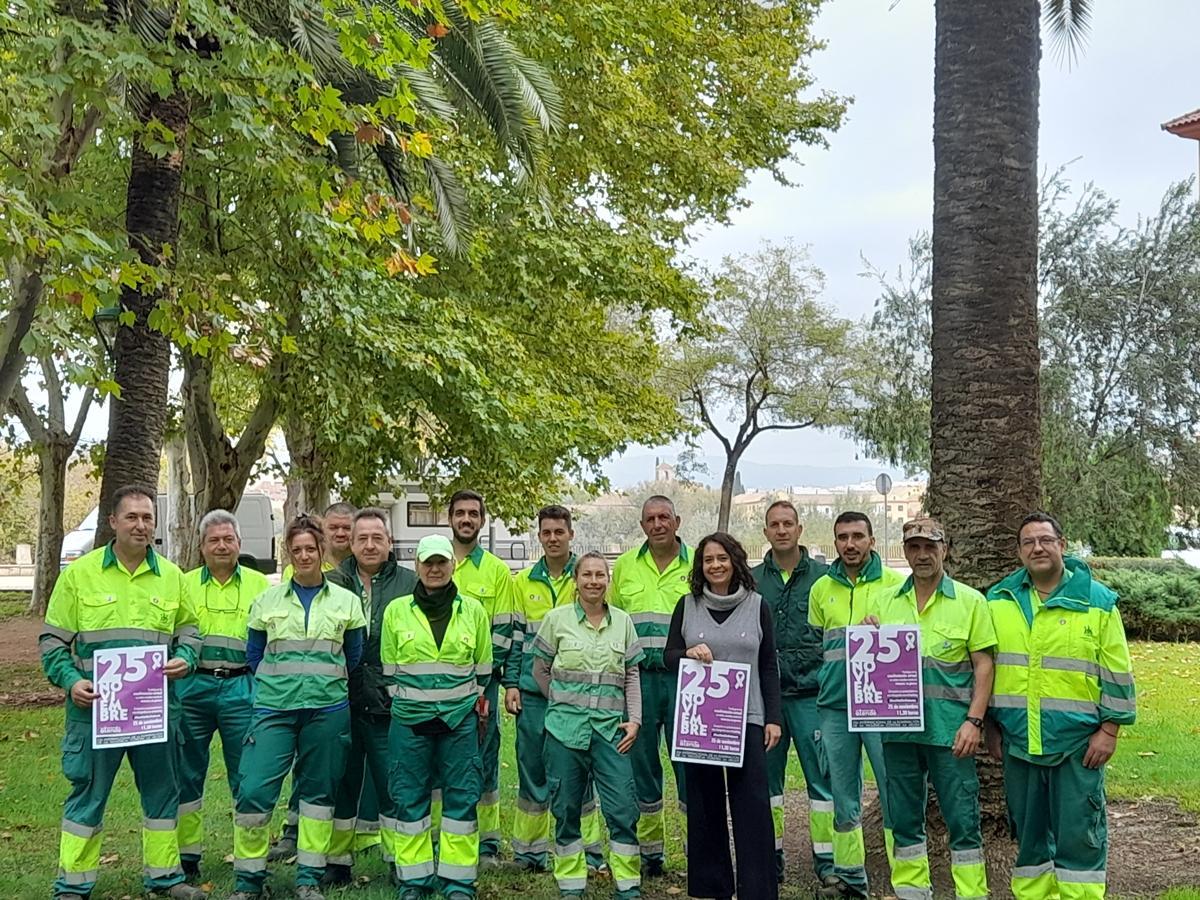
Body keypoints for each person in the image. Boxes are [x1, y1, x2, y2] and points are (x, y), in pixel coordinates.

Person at [39, 484, 207, 900]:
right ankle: (73, 886)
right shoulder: (80, 574)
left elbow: (190, 631)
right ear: (112, 522)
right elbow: (52, 641)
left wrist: (186, 656)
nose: (141, 524)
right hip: (95, 714)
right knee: (87, 799)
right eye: (131, 516)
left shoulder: (172, 577)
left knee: (162, 796)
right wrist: (70, 681)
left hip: (154, 712)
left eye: (148, 517)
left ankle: (165, 878)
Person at [987, 512, 1136, 900]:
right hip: (1020, 743)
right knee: (1030, 837)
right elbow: (983, 666)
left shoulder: (1097, 602)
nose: (1037, 547)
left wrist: (1110, 729)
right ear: (1019, 552)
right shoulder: (998, 600)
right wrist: (990, 724)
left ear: (1062, 545)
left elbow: (1117, 671)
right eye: (1028, 542)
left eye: (1045, 540)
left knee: (1079, 835)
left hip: (1078, 745)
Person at [228, 515, 367, 900]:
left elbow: (353, 655)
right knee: (254, 791)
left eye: (311, 548)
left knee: (319, 796)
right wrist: (282, 682)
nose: (304, 555)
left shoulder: (347, 602)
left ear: (322, 550)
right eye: (297, 549)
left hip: (326, 710)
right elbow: (255, 654)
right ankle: (248, 882)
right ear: (288, 553)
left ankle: (309, 879)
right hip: (274, 709)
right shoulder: (266, 601)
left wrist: (322, 680)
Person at [864, 517, 995, 900]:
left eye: (930, 547)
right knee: (904, 821)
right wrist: (869, 635)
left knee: (962, 820)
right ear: (905, 551)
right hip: (899, 732)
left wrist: (975, 720)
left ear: (945, 549)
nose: (922, 555)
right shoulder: (884, 601)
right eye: (914, 547)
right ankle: (911, 893)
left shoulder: (971, 602)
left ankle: (971, 894)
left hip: (951, 732)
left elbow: (984, 665)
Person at [665, 532, 781, 900]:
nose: (715, 565)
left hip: (746, 718)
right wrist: (687, 653)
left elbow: (767, 665)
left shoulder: (757, 604)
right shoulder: (687, 605)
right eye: (708, 560)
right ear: (700, 566)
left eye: (722, 558)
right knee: (704, 803)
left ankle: (758, 889)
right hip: (700, 719)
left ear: (736, 561)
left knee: (752, 805)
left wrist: (773, 717)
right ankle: (712, 887)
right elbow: (668, 656)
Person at [381, 534, 492, 900]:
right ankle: (414, 881)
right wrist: (413, 704)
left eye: (441, 562)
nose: (434, 568)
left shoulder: (473, 610)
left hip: (458, 722)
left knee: (461, 799)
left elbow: (483, 669)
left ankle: (457, 881)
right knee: (409, 799)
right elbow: (388, 670)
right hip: (409, 723)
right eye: (427, 562)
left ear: (452, 565)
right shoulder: (396, 611)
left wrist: (460, 704)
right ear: (417, 566)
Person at [532, 551, 644, 899]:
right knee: (566, 809)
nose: (594, 581)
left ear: (608, 581)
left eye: (600, 575)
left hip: (610, 734)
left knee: (623, 809)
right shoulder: (556, 620)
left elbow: (631, 676)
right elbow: (540, 669)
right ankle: (571, 884)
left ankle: (627, 886)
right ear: (576, 580)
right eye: (587, 575)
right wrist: (562, 704)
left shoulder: (623, 622)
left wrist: (635, 720)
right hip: (564, 734)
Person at [808, 511, 906, 897]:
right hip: (834, 706)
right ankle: (850, 879)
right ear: (835, 541)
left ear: (871, 541)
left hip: (880, 706)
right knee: (843, 794)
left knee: (892, 789)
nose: (850, 544)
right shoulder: (821, 589)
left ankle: (906, 877)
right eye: (842, 537)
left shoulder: (895, 585)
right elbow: (817, 646)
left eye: (858, 536)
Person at [505, 506, 606, 873]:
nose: (552, 538)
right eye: (546, 532)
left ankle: (589, 852)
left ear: (570, 534)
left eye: (558, 532)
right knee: (531, 770)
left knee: (579, 776)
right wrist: (512, 683)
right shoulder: (522, 583)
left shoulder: (586, 576)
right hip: (533, 695)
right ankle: (529, 852)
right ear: (539, 536)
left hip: (577, 698)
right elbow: (517, 639)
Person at [323, 508, 418, 884]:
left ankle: (399, 861)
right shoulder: (331, 582)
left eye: (377, 537)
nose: (369, 544)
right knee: (340, 783)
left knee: (393, 785)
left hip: (388, 704)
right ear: (350, 541)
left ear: (389, 542)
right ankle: (337, 862)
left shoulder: (411, 584)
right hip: (338, 701)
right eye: (361, 538)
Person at [177, 510, 271, 880]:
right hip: (192, 688)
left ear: (239, 544)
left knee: (248, 776)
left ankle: (250, 862)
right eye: (213, 540)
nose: (221, 545)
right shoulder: (182, 585)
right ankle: (187, 858)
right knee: (186, 774)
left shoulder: (260, 585)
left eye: (228, 539)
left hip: (242, 688)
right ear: (201, 547)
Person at [752, 500, 835, 886]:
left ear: (800, 529)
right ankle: (772, 856)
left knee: (822, 780)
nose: (782, 530)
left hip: (812, 695)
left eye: (788, 523)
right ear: (765, 532)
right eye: (774, 524)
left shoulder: (824, 578)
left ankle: (828, 859)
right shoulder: (750, 581)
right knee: (768, 784)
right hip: (767, 699)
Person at [608, 495, 690, 875]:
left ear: (677, 521)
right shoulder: (624, 566)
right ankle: (650, 854)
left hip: (685, 682)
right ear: (642, 526)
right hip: (637, 681)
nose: (657, 524)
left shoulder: (697, 565)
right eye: (650, 519)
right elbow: (610, 621)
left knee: (690, 765)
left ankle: (698, 851)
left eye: (664, 517)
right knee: (641, 768)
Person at [272, 501, 358, 860]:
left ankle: (338, 837)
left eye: (346, 529)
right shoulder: (303, 578)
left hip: (342, 688)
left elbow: (354, 648)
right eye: (334, 527)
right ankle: (293, 830)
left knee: (331, 768)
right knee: (303, 765)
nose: (340, 534)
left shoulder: (358, 572)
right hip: (296, 694)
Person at [445, 489, 514, 862]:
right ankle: (447, 834)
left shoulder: (497, 572)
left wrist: (479, 678)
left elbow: (503, 631)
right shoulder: (434, 563)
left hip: (482, 686)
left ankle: (487, 840)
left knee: (484, 758)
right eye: (460, 513)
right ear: (450, 518)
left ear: (482, 521)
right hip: (437, 687)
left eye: (473, 513)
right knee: (442, 760)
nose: (466, 519)